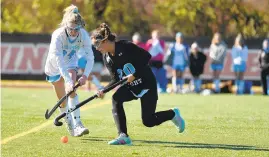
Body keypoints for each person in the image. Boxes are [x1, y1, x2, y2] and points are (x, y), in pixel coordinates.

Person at [92, 23, 185, 145]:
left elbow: (147, 56)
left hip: (147, 83)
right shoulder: (107, 58)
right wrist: (103, 90)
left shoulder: (126, 46)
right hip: (131, 87)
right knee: (116, 98)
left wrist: (134, 74)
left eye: (97, 44)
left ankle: (172, 114)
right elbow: (115, 79)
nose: (96, 48)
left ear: (105, 41)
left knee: (148, 121)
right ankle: (123, 136)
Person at [44, 5, 94, 136]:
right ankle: (69, 124)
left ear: (80, 27)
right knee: (62, 99)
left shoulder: (83, 35)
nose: (73, 32)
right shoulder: (58, 35)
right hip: (54, 66)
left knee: (71, 91)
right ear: (66, 26)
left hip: (70, 63)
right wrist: (67, 80)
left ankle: (78, 124)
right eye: (70, 29)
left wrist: (85, 76)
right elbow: (59, 61)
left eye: (76, 29)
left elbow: (90, 57)